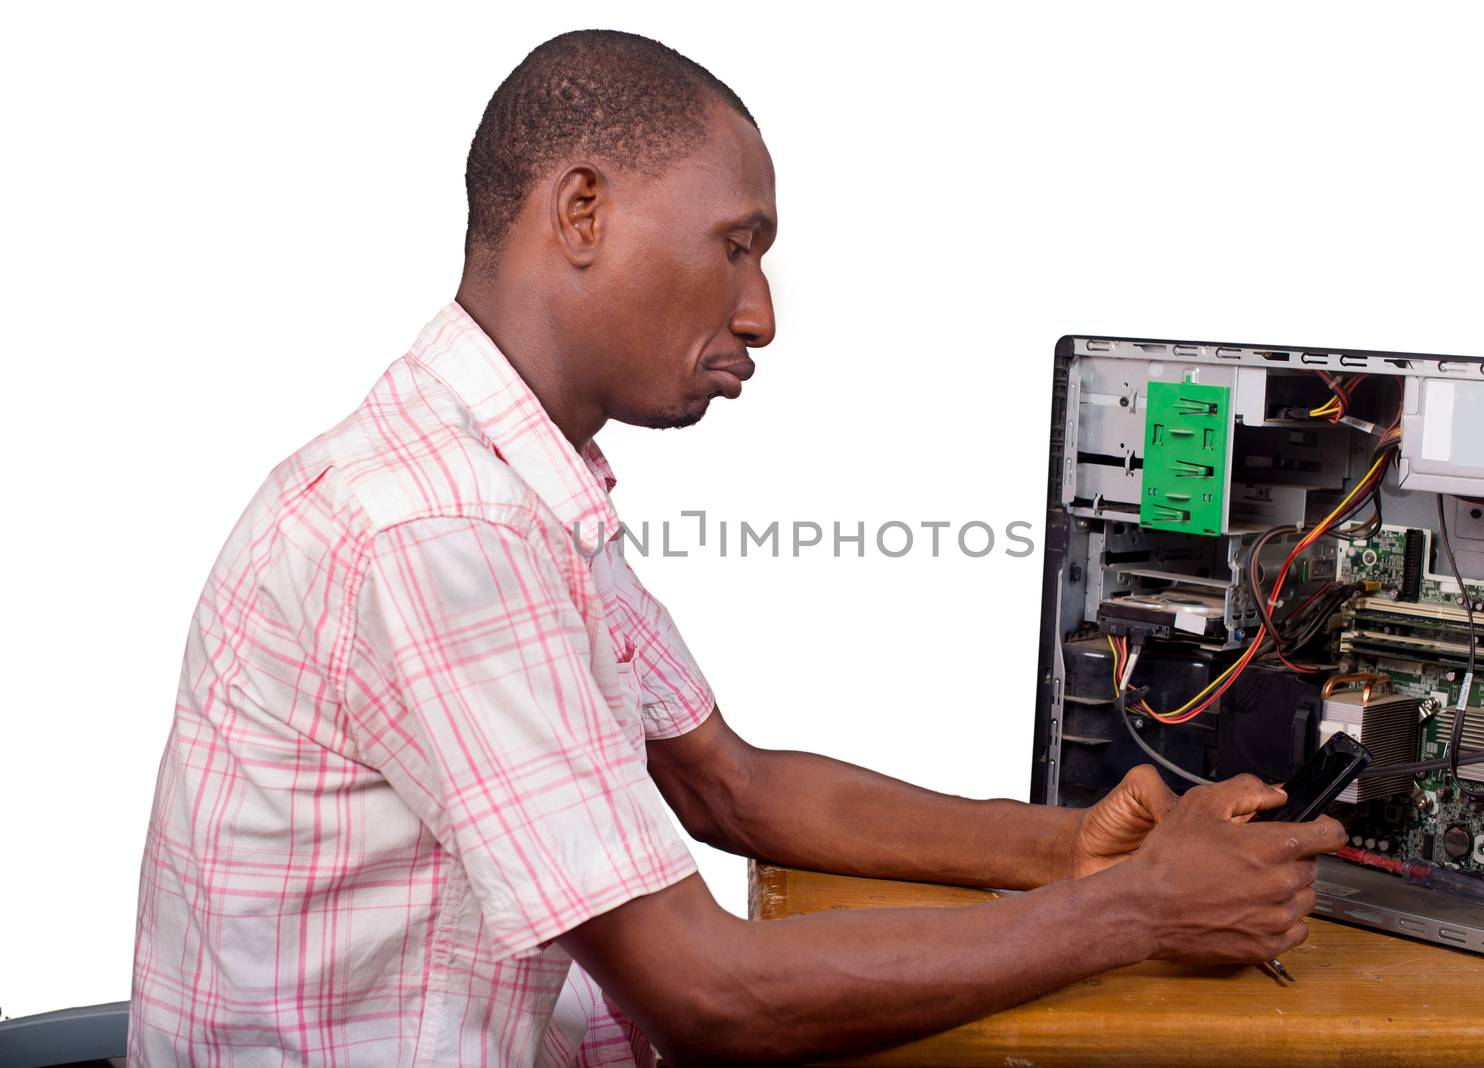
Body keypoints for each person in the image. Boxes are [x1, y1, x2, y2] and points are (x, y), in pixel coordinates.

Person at [129, 29, 1344, 1066]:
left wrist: (1061, 850)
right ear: (582, 211)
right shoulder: (440, 527)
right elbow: (704, 992)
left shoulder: (511, 480)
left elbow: (727, 781)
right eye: (735, 244)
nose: (761, 312)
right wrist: (1131, 918)